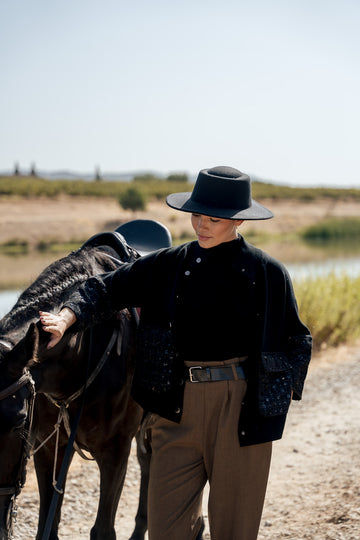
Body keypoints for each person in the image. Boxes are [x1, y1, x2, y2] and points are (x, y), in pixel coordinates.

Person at [40, 166, 312, 540]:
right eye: (197, 215)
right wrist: (66, 317)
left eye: (213, 218)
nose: (201, 225)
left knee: (234, 530)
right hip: (175, 407)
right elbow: (104, 290)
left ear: (237, 222)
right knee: (166, 530)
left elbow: (298, 340)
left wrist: (275, 398)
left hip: (239, 408)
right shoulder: (168, 264)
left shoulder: (267, 272)